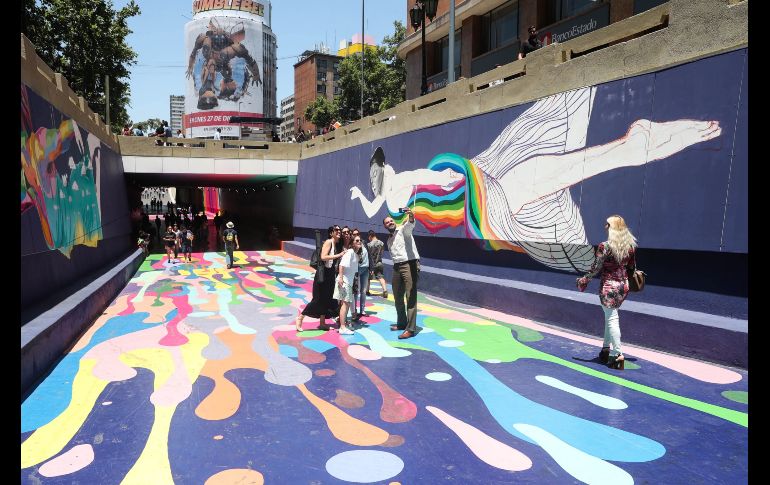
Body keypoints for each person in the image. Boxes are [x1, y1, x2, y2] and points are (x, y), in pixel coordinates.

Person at [350, 87, 721, 274]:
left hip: (474, 194)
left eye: (379, 169)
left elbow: (399, 193)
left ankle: (626, 150)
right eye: (380, 171)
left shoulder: (394, 192)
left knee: (517, 174)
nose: (384, 171)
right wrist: (442, 178)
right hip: (477, 207)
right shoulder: (395, 191)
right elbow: (404, 189)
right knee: (518, 182)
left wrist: (442, 179)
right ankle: (627, 149)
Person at [576, 215, 638, 370]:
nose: (605, 226)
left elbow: (596, 267)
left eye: (608, 224)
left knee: (612, 319)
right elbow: (631, 267)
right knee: (610, 317)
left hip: (609, 287)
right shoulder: (630, 247)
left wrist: (584, 279)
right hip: (623, 286)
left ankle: (618, 354)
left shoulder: (605, 246)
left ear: (613, 228)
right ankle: (605, 349)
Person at [295, 226, 345, 332]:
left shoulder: (336, 244)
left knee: (327, 299)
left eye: (339, 230)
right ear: (331, 233)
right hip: (323, 274)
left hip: (330, 274)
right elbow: (323, 257)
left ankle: (322, 323)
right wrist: (339, 255)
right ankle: (300, 318)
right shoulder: (328, 242)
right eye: (336, 230)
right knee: (317, 299)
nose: (339, 231)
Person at [384, 207, 420, 339]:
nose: (390, 223)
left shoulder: (402, 230)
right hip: (397, 267)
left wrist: (411, 215)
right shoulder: (389, 240)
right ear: (385, 226)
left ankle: (410, 329)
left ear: (394, 222)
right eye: (387, 222)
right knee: (397, 296)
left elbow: (410, 225)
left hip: (409, 264)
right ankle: (401, 323)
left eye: (391, 221)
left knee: (410, 296)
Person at [333, 232, 362, 335]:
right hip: (345, 281)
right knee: (345, 304)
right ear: (352, 243)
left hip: (348, 282)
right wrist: (341, 278)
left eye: (360, 240)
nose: (359, 242)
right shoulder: (350, 252)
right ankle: (342, 327)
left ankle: (343, 323)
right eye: (357, 240)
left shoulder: (355, 254)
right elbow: (341, 265)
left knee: (345, 304)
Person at [351, 228, 370, 319]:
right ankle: (354, 310)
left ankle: (362, 310)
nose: (356, 235)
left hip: (365, 269)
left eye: (357, 234)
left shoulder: (364, 243)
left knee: (363, 291)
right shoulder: (353, 245)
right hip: (357, 269)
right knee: (356, 291)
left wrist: (371, 267)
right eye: (354, 234)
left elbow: (369, 255)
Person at [366, 230, 388, 298]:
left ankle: (367, 291)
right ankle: (385, 290)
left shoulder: (369, 245)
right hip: (379, 263)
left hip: (371, 264)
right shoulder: (381, 243)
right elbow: (382, 252)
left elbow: (368, 255)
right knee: (380, 277)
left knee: (368, 278)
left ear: (370, 236)